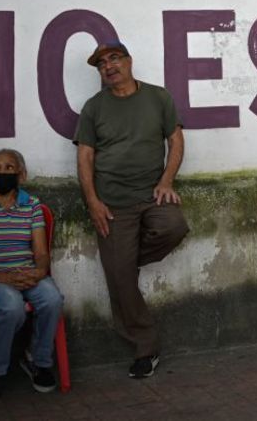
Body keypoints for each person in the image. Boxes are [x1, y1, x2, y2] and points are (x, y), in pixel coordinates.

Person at [74, 41, 190, 378]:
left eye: (114, 59)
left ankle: (122, 262)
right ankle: (145, 348)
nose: (108, 67)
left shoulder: (158, 97)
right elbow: (85, 156)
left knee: (175, 226)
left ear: (129, 60)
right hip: (112, 204)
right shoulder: (93, 108)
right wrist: (93, 201)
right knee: (122, 283)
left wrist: (167, 181)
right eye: (101, 64)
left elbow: (176, 140)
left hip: (151, 194)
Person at [0, 149, 64, 401]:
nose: (1, 172)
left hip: (25, 274)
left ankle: (38, 360)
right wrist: (3, 278)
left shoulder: (32, 205)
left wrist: (38, 272)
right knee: (10, 303)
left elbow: (40, 252)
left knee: (52, 298)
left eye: (9, 168)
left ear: (21, 174)